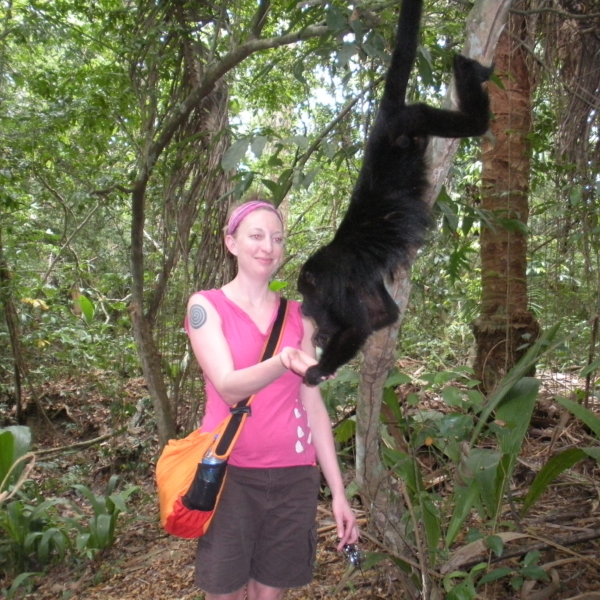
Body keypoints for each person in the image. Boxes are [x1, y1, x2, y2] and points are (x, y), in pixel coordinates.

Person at [185, 199, 359, 600]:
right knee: (224, 592)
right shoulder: (206, 306)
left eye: (277, 239)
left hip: (293, 476)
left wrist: (338, 492)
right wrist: (284, 360)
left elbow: (314, 406)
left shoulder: (300, 315)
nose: (268, 247)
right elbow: (228, 385)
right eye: (256, 236)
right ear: (232, 243)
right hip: (230, 476)